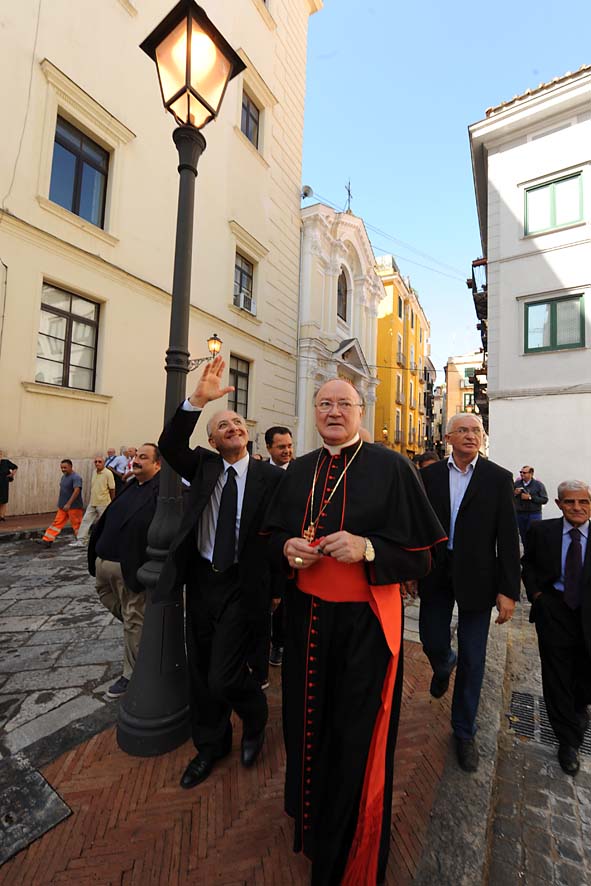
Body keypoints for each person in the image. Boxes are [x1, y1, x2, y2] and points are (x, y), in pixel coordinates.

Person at [264, 378, 445, 886]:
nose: (334, 411)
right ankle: (314, 822)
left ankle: (347, 849)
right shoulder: (297, 470)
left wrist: (367, 548)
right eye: (325, 403)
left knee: (353, 738)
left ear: (361, 411)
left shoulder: (392, 468)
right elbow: (270, 537)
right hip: (305, 623)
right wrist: (285, 549)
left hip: (364, 629)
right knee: (305, 724)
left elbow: (423, 557)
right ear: (314, 412)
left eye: (344, 403)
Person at [156, 356, 283, 789]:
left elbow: (282, 536)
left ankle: (254, 716)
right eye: (222, 425)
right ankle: (210, 746)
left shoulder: (271, 477)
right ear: (212, 440)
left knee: (224, 674)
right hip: (203, 580)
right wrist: (197, 399)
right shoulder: (205, 467)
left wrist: (279, 588)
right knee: (201, 671)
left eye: (236, 422)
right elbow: (170, 445)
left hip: (243, 584)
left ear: (246, 433)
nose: (232, 427)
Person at [418, 412, 520, 773]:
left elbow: (508, 538)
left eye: (476, 430)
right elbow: (416, 527)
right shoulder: (428, 476)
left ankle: (464, 731)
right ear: (447, 437)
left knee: (475, 659)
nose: (471, 435)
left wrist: (508, 591)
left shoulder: (498, 478)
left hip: (479, 578)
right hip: (436, 574)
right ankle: (444, 662)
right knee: (431, 639)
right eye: (463, 430)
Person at [522, 480, 591, 776]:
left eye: (583, 502)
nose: (577, 507)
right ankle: (568, 740)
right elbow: (529, 565)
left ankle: (578, 708)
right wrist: (538, 598)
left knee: (584, 674)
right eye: (570, 502)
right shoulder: (542, 531)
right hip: (555, 610)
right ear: (559, 504)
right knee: (556, 674)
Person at [88, 444, 161, 699]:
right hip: (103, 565)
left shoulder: (161, 492)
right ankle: (145, 629)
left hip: (128, 567)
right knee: (124, 612)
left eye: (143, 457)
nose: (136, 460)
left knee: (133, 618)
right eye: (136, 456)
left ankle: (132, 675)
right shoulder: (130, 485)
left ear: (158, 465)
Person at [265, 426, 294, 669]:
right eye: (281, 447)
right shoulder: (259, 472)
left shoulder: (299, 472)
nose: (287, 451)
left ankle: (279, 643)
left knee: (282, 599)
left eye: (289, 446)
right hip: (260, 544)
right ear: (268, 448)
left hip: (287, 545)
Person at [39, 460, 84, 546]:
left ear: (71, 467)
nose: (63, 469)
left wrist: (69, 503)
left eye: (65, 468)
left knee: (77, 524)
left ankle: (80, 540)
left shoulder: (76, 477)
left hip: (74, 507)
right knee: (57, 523)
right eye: (62, 468)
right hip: (63, 506)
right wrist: (63, 504)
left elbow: (77, 491)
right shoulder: (64, 477)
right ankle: (47, 540)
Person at [73, 456, 115, 545]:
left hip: (104, 503)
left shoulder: (108, 473)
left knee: (105, 523)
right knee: (86, 521)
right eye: (95, 462)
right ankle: (82, 541)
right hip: (93, 502)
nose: (97, 463)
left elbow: (112, 488)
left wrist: (112, 502)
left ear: (104, 463)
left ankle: (108, 540)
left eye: (99, 462)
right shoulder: (94, 472)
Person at [514, 465, 548, 545]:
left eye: (524, 473)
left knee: (534, 535)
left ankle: (534, 555)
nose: (522, 474)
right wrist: (514, 493)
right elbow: (509, 497)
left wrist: (530, 498)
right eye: (521, 472)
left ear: (531, 474)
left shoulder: (538, 485)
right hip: (520, 514)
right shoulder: (517, 484)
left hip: (534, 514)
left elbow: (544, 500)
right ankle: (526, 554)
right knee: (523, 536)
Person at [0, 451, 18, 521]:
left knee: (3, 501)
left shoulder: (6, 462)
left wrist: (12, 474)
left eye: (0, 454)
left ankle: (2, 516)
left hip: (4, 483)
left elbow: (15, 467)